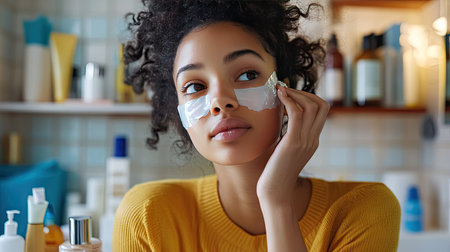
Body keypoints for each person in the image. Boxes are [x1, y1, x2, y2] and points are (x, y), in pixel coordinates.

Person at [113, 0, 401, 251]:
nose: (220, 101)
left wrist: (276, 202)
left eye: (248, 73)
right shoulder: (147, 216)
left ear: (284, 93)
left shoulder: (365, 210)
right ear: (179, 112)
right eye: (195, 85)